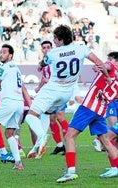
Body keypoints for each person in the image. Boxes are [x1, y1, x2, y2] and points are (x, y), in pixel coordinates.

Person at [25, 25, 111, 160]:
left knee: (31, 116)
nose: (53, 41)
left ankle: (41, 137)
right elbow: (99, 62)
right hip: (66, 93)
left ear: (60, 40)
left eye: (55, 38)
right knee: (47, 115)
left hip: (53, 89)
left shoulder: (53, 53)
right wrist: (107, 77)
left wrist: (40, 65)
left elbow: (43, 63)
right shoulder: (81, 48)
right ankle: (39, 145)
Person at [56, 53, 118, 183]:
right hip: (101, 110)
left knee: (69, 136)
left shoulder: (111, 66)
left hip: (89, 107)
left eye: (110, 59)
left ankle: (70, 172)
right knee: (105, 140)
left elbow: (105, 65)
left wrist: (101, 66)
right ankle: (116, 167)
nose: (107, 60)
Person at [92, 52, 118, 152]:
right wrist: (95, 67)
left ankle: (100, 139)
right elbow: (101, 66)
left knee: (115, 134)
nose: (108, 61)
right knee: (114, 131)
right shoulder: (110, 68)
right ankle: (101, 139)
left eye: (110, 59)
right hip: (111, 103)